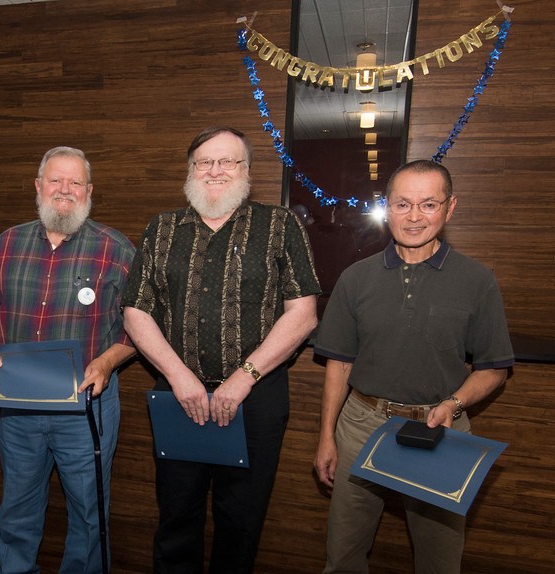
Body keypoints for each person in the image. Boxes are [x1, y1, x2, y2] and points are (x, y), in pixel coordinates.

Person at [121, 126, 321, 573]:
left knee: (241, 521)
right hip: (178, 395)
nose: (214, 170)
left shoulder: (280, 225)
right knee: (176, 518)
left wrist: (243, 377)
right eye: (203, 162)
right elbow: (135, 310)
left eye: (227, 161)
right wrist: (179, 377)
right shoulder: (162, 227)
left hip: (257, 399)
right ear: (190, 171)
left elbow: (303, 314)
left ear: (247, 170)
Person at [313, 159, 514, 574]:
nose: (415, 216)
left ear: (450, 207)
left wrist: (455, 403)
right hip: (361, 424)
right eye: (402, 204)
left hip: (439, 431)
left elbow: (493, 368)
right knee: (343, 556)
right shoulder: (355, 278)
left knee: (439, 560)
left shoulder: (477, 281)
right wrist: (327, 438)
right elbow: (338, 366)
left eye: (428, 204)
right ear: (386, 206)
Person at [0, 146, 136, 573]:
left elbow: (140, 328)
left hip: (87, 409)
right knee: (17, 511)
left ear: (89, 191)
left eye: (75, 182)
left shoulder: (115, 249)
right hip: (18, 408)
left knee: (89, 514)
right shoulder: (8, 242)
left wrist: (107, 362)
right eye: (55, 180)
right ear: (38, 186)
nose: (65, 190)